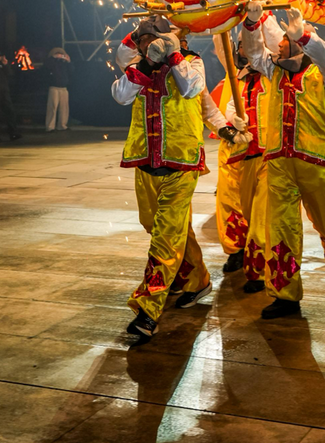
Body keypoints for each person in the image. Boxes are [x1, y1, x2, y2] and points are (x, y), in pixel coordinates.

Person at [242, 3, 325, 319]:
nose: (275, 44)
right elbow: (253, 53)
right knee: (280, 230)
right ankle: (285, 295)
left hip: (317, 163)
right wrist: (253, 22)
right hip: (279, 163)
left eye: (281, 40)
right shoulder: (272, 69)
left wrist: (306, 35)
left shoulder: (324, 72)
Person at [112, 17, 213, 340]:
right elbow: (120, 95)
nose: (144, 45)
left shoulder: (192, 63)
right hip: (145, 164)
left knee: (165, 240)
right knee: (160, 228)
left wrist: (171, 54)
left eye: (150, 40)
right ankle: (197, 280)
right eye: (141, 41)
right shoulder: (137, 70)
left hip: (180, 165)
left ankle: (147, 310)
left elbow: (191, 88)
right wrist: (145, 60)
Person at [212, 20, 280, 284]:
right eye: (238, 46)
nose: (242, 50)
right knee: (228, 203)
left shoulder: (269, 72)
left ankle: (257, 261)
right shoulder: (232, 70)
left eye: (247, 45)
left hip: (261, 150)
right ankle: (235, 250)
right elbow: (220, 42)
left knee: (258, 210)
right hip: (231, 146)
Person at [45, 47, 72, 132]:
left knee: (64, 108)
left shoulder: (64, 63)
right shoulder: (51, 62)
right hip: (54, 87)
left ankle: (62, 125)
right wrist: (54, 58)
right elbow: (47, 67)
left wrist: (69, 61)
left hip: (64, 87)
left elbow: (71, 70)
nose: (60, 55)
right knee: (52, 107)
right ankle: (50, 127)